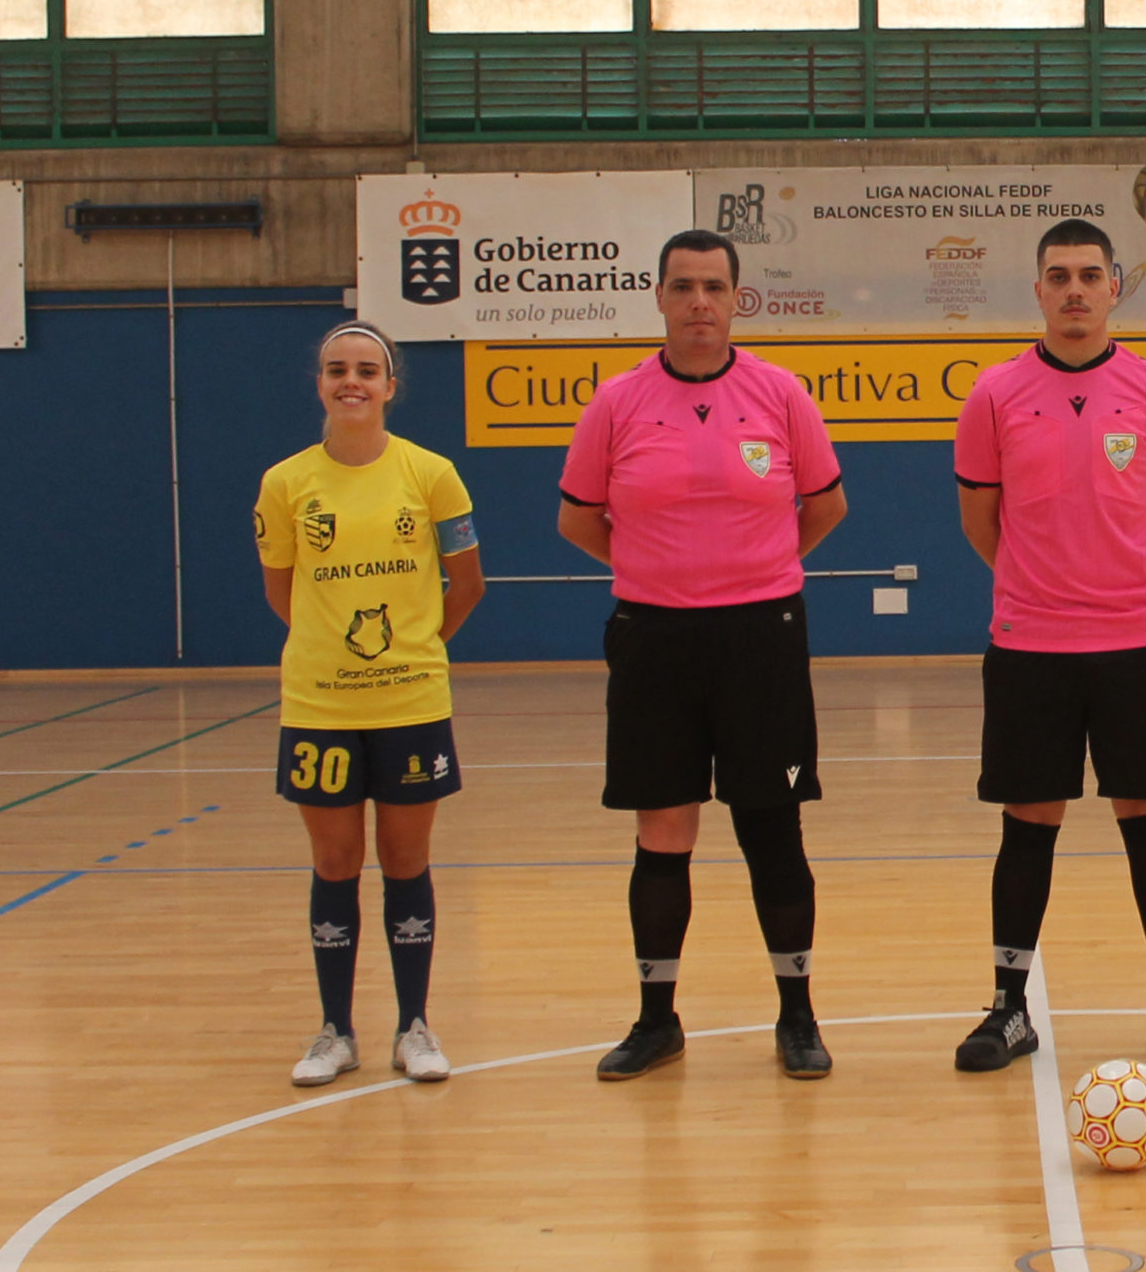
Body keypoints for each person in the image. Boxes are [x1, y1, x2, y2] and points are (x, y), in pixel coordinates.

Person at [557, 229, 848, 1081]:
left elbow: (825, 505)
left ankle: (797, 1016)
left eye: (713, 287)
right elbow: (579, 520)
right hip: (655, 640)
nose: (699, 303)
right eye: (682, 287)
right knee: (663, 832)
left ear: (736, 298)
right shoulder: (616, 403)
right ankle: (657, 1021)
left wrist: (754, 566)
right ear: (658, 297)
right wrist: (660, 570)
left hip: (762, 636)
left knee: (772, 830)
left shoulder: (780, 393)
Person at [950, 218, 1146, 1075]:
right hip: (1030, 644)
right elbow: (981, 523)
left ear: (1114, 289)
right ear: (1037, 290)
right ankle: (1007, 1006)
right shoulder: (994, 394)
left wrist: (1126, 583)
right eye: (1058, 275)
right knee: (1029, 823)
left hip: (1138, 643)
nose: (1074, 289)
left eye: (1089, 275)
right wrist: (1046, 586)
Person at [255, 320, 487, 1086]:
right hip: (319, 705)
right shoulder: (286, 483)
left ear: (390, 387)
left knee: (405, 859)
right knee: (334, 860)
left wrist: (415, 648)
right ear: (319, 383)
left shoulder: (433, 475)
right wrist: (334, 655)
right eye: (335, 369)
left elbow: (468, 584)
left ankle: (414, 1026)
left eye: (365, 370)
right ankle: (335, 1031)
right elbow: (283, 593)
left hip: (411, 701)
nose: (350, 381)